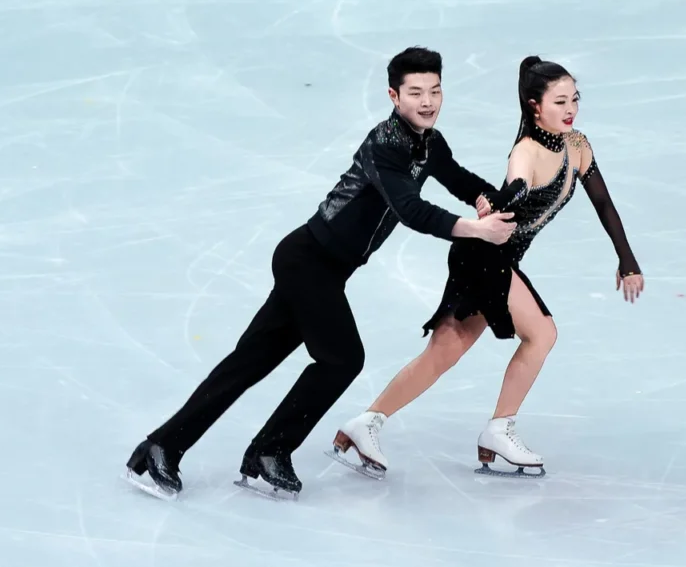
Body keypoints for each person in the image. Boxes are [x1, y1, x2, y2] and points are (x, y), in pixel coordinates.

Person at [125, 46, 517, 501]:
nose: (427, 101)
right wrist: (476, 230)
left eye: (434, 90)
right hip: (307, 261)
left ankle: (160, 448)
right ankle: (267, 451)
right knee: (343, 358)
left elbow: (458, 177)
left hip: (323, 267)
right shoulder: (385, 144)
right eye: (415, 92)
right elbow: (410, 209)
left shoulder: (430, 143)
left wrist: (486, 197)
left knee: (247, 364)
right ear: (394, 95)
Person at [329, 55, 645, 479]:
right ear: (535, 106)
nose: (570, 109)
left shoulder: (578, 146)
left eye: (575, 99)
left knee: (445, 351)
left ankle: (365, 424)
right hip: (482, 254)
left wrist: (627, 259)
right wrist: (496, 203)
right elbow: (512, 191)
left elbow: (603, 202)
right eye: (559, 101)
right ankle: (500, 428)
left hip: (497, 256)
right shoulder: (526, 153)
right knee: (542, 332)